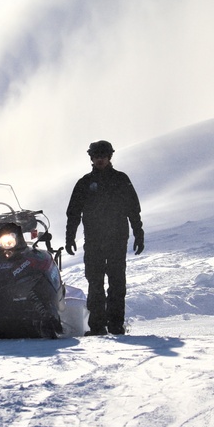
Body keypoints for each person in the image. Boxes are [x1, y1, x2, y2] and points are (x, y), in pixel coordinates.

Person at [65, 140, 144, 336]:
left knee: (117, 282)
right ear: (91, 158)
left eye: (104, 155)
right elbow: (73, 213)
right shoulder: (84, 183)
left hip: (117, 239)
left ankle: (116, 326)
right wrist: (70, 237)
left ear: (110, 157)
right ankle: (97, 326)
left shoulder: (121, 179)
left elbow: (133, 209)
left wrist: (138, 233)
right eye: (96, 155)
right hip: (93, 241)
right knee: (95, 283)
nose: (100, 159)